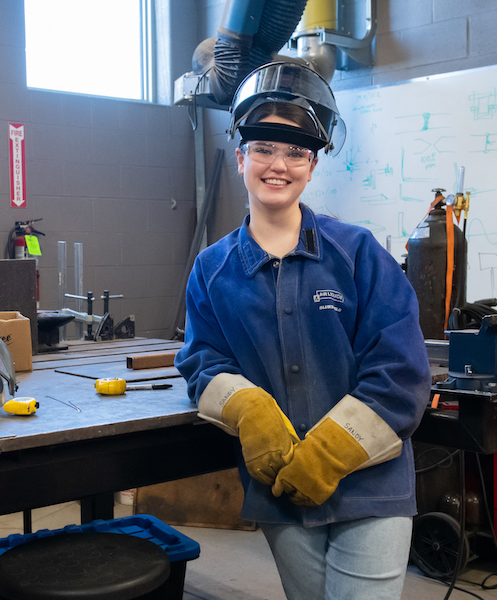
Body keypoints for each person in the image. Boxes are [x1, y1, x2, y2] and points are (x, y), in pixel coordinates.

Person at [175, 61, 432, 600]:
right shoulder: (212, 269)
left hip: (370, 484)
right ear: (241, 157)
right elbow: (204, 361)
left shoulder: (358, 254)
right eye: (265, 148)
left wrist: (332, 451)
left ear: (312, 167)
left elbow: (401, 373)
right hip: (281, 484)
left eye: (296, 152)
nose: (279, 164)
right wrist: (251, 409)